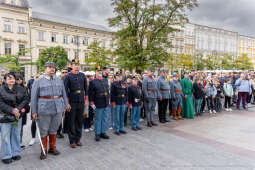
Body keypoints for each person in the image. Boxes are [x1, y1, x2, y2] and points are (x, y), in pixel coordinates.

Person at [31, 62, 68, 160]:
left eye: (53, 68)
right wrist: (34, 111)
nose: (52, 69)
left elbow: (64, 93)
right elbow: (33, 98)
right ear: (45, 69)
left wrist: (65, 105)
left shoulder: (59, 80)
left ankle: (52, 148)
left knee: (54, 129)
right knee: (43, 130)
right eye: (49, 67)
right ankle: (44, 150)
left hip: (58, 108)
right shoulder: (38, 81)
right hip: (44, 109)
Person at [0, 73, 29, 164]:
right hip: (5, 116)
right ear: (5, 80)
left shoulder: (20, 89)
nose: (11, 80)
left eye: (13, 78)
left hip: (17, 116)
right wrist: (12, 110)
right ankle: (6, 155)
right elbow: (0, 103)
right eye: (9, 78)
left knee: (16, 135)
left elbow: (25, 99)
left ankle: (15, 153)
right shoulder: (1, 89)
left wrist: (18, 109)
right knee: (5, 137)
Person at [64, 59, 88, 148]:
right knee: (71, 121)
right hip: (72, 101)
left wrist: (86, 100)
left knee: (79, 121)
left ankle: (78, 139)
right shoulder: (68, 76)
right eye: (75, 64)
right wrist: (67, 103)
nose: (77, 66)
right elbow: (65, 90)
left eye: (78, 64)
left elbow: (86, 89)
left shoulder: (82, 75)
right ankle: (72, 140)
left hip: (81, 101)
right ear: (71, 66)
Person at [88, 66, 110, 142]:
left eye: (101, 71)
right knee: (98, 119)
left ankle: (103, 132)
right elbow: (90, 93)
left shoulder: (105, 80)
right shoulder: (92, 82)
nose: (100, 72)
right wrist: (91, 102)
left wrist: (108, 100)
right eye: (98, 71)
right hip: (98, 102)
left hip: (105, 102)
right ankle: (97, 133)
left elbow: (107, 91)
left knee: (104, 118)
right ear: (95, 72)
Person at [15, 74, 30, 148]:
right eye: (17, 79)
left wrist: (24, 108)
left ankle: (20, 142)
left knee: (21, 127)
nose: (19, 80)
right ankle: (15, 142)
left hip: (23, 110)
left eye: (20, 79)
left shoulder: (25, 88)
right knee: (15, 127)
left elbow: (27, 99)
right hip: (15, 111)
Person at [57, 69, 68, 138]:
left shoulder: (69, 80)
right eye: (63, 72)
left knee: (63, 117)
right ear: (61, 74)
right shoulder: (58, 81)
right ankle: (57, 132)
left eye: (66, 72)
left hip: (67, 101)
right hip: (59, 102)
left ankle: (63, 130)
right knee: (59, 118)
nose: (64, 73)